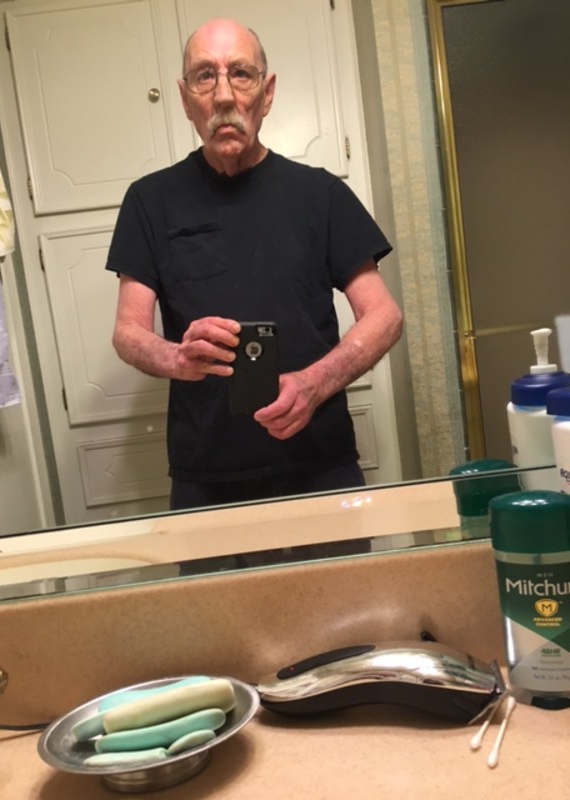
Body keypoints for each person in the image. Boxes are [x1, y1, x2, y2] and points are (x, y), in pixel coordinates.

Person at [107, 18, 403, 511]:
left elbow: (384, 316)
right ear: (185, 99)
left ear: (267, 94)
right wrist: (177, 359)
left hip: (320, 464)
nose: (223, 95)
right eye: (205, 76)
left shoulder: (321, 194)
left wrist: (314, 384)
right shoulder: (149, 201)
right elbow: (127, 332)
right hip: (206, 477)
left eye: (241, 73)